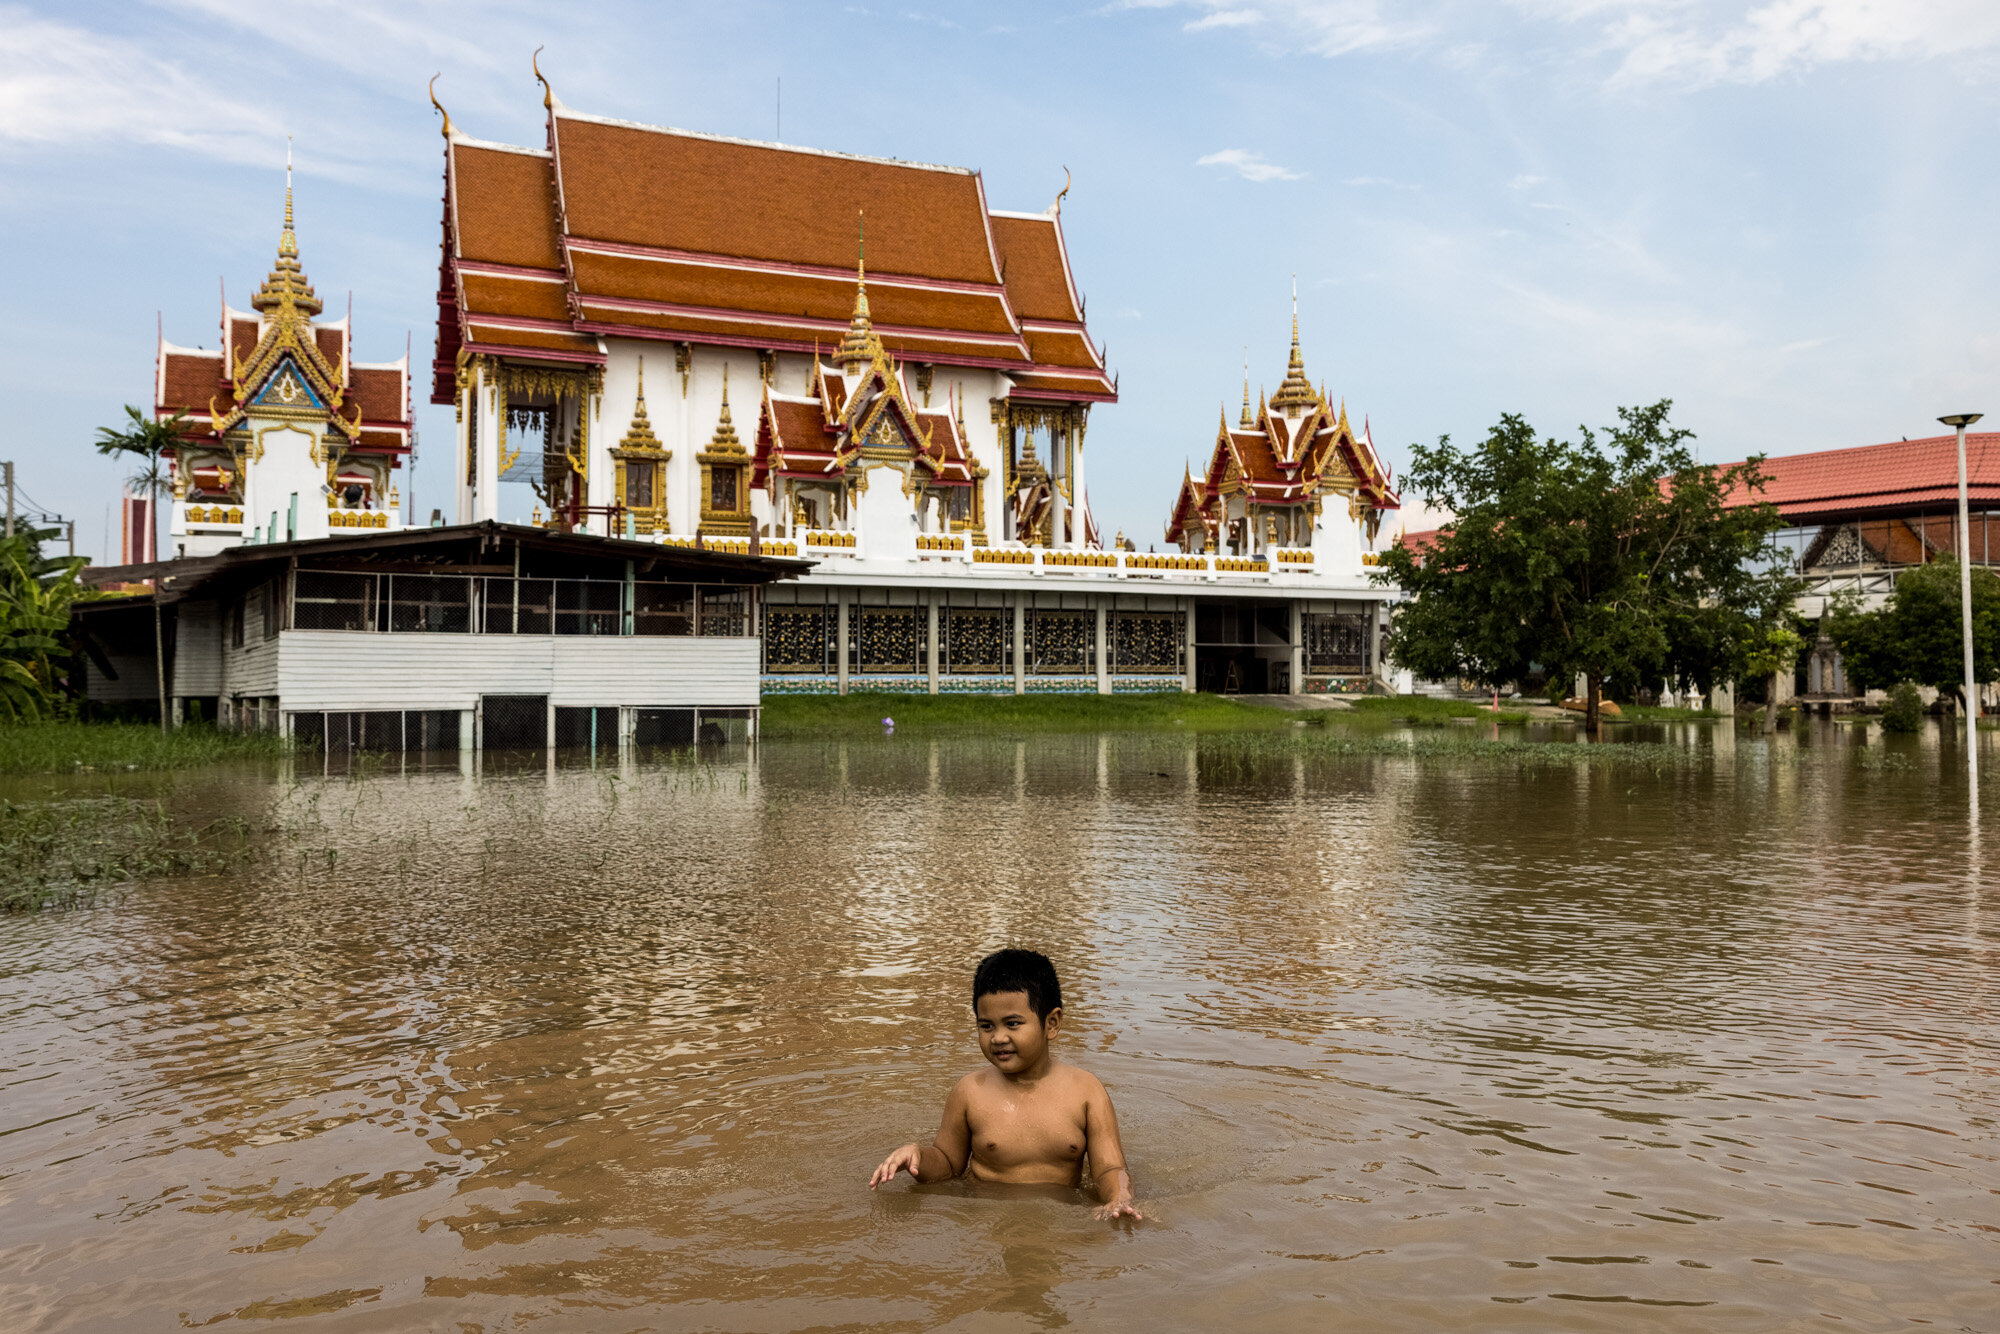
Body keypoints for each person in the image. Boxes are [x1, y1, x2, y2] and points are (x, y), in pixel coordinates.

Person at [868, 949, 1140, 1222]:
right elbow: (948, 1165)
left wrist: (1119, 1197)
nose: (998, 1038)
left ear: (1052, 1023)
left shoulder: (1086, 1092)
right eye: (986, 1026)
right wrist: (918, 1156)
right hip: (989, 1219)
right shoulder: (970, 1091)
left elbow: (1109, 1169)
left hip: (1060, 1223)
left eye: (1012, 1024)